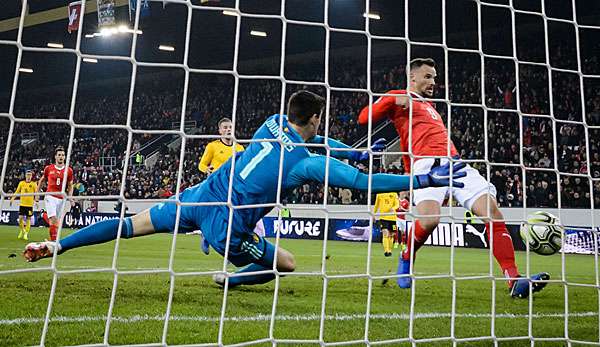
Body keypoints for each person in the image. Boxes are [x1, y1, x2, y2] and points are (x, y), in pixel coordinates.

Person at [24, 90, 466, 290]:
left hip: (201, 196)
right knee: (286, 263)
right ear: (313, 120)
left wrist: (353, 152)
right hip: (227, 226)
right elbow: (366, 185)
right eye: (319, 121)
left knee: (127, 225)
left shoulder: (271, 123)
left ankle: (56, 247)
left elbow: (325, 145)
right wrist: (421, 179)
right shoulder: (305, 164)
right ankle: (230, 275)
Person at [357, 58, 548, 298]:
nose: (433, 82)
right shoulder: (399, 96)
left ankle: (514, 279)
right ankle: (407, 254)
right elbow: (363, 118)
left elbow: (408, 142)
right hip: (427, 166)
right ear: (412, 77)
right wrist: (391, 100)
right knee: (429, 221)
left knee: (493, 214)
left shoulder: (430, 107)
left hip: (455, 164)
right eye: (428, 76)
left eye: (435, 77)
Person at [36, 146, 74, 241]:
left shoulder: (69, 170)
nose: (61, 157)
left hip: (61, 198)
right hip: (50, 196)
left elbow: (70, 185)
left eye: (63, 155)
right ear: (55, 157)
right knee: (53, 220)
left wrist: (70, 197)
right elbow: (41, 181)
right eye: (59, 155)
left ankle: (43, 215)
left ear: (65, 157)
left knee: (56, 223)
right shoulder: (49, 168)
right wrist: (37, 194)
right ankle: (54, 241)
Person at [10, 170, 38, 241]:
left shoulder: (34, 184)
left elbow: (36, 193)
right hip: (22, 204)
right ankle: (22, 230)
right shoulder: (21, 183)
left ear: (31, 176)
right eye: (27, 175)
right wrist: (12, 199)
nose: (29, 176)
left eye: (30, 175)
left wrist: (36, 201)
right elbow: (17, 191)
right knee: (20, 219)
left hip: (29, 205)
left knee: (28, 219)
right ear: (25, 175)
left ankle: (26, 234)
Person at [373, 192, 399, 257]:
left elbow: (397, 204)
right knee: (385, 234)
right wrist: (373, 214)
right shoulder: (379, 194)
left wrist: (393, 208)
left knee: (391, 235)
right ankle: (386, 251)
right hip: (383, 217)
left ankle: (390, 250)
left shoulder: (394, 193)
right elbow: (376, 205)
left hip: (392, 218)